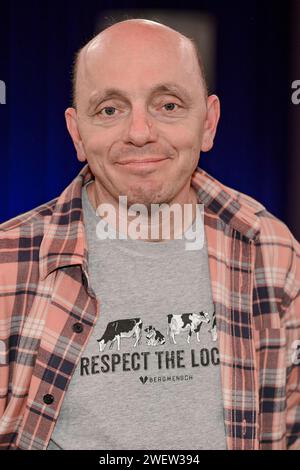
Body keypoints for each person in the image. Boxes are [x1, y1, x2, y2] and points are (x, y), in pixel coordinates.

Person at [0, 18, 299, 451]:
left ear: (209, 122)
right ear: (76, 133)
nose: (140, 133)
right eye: (110, 110)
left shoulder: (272, 250)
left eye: (169, 105)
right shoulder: (8, 265)